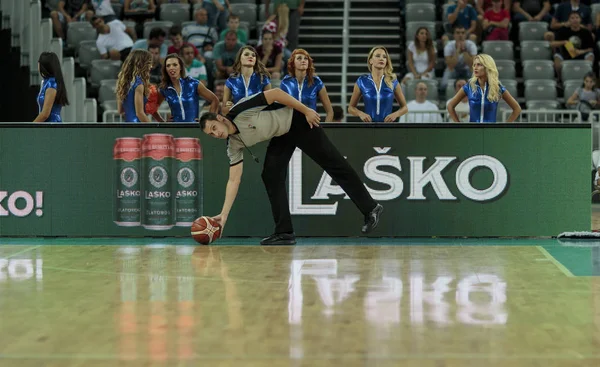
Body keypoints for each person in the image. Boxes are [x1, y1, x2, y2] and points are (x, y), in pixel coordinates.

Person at [199, 89, 383, 245]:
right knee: (270, 175)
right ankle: (284, 232)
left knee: (334, 163)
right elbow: (234, 179)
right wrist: (223, 215)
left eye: (214, 128)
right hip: (281, 135)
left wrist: (307, 110)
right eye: (211, 134)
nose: (215, 134)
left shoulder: (241, 110)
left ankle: (370, 208)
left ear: (219, 118)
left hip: (298, 120)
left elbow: (276, 93)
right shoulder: (233, 145)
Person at [447, 54, 521, 123]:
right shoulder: (469, 86)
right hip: (473, 132)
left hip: (491, 133)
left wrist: (505, 127)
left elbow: (517, 109)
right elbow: (450, 106)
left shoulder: (497, 88)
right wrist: (458, 125)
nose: (475, 68)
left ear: (487, 67)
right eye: (474, 65)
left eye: (479, 65)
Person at [151, 53, 219, 122]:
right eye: (168, 66)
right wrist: (163, 123)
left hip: (193, 128)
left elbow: (214, 100)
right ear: (165, 69)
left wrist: (209, 122)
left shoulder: (193, 83)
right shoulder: (164, 88)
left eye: (175, 65)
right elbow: (152, 108)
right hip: (175, 130)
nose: (171, 67)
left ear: (180, 67)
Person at [348, 46, 408, 122]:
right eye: (377, 56)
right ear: (370, 61)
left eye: (384, 57)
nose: (381, 59)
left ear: (386, 61)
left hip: (387, 129)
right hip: (369, 128)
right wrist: (360, 113)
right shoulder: (362, 81)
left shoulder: (392, 81)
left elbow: (405, 108)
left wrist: (395, 114)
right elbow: (351, 108)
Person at [280, 48, 333, 122]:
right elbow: (280, 110)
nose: (303, 60)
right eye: (299, 58)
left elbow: (330, 112)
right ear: (293, 63)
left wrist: (326, 130)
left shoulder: (316, 81)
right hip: (291, 127)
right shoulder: (285, 82)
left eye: (306, 58)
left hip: (311, 126)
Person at [222, 46, 271, 114]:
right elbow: (223, 110)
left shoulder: (263, 79)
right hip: (238, 118)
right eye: (246, 54)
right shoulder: (231, 81)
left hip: (258, 117)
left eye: (253, 55)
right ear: (239, 58)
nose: (250, 56)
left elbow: (270, 105)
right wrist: (229, 107)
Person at [116, 49, 154, 123]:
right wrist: (154, 127)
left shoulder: (121, 82)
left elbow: (120, 110)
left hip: (128, 125)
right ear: (142, 64)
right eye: (149, 63)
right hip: (138, 127)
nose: (151, 66)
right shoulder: (139, 84)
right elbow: (139, 114)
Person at [33, 52, 69, 123]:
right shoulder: (46, 82)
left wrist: (29, 127)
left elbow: (45, 114)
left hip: (52, 126)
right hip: (46, 126)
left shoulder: (51, 84)